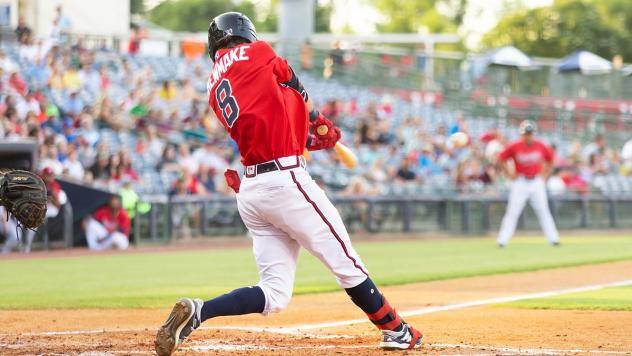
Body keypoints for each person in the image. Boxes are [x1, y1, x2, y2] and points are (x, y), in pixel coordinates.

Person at [154, 12, 423, 356]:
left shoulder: (214, 83)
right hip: (285, 182)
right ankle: (396, 330)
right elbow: (292, 80)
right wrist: (316, 119)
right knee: (346, 262)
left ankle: (199, 310)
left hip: (253, 190)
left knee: (275, 293)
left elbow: (270, 120)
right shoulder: (257, 52)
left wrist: (310, 137)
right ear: (244, 34)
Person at [496, 120, 560, 247]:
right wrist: (508, 174)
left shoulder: (540, 146)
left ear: (534, 133)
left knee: (543, 210)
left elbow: (551, 160)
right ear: (522, 134)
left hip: (536, 181)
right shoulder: (515, 146)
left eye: (530, 133)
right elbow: (500, 158)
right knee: (512, 211)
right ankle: (502, 241)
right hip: (520, 181)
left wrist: (545, 175)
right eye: (526, 133)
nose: (528, 135)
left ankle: (554, 239)